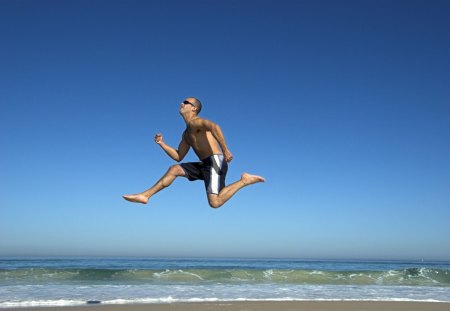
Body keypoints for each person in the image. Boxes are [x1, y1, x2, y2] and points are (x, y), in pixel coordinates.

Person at [122, 97, 265, 208]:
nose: (181, 103)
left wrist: (225, 149)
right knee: (175, 169)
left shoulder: (195, 122)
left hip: (215, 162)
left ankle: (244, 180)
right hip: (204, 164)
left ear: (194, 108)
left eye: (186, 102)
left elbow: (214, 126)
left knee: (214, 203)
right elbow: (178, 156)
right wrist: (162, 144)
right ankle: (145, 196)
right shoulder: (186, 134)